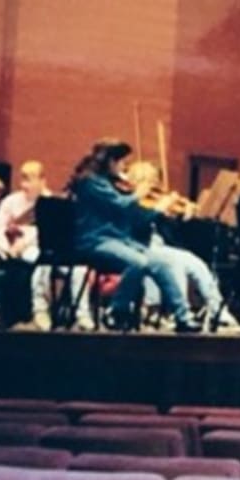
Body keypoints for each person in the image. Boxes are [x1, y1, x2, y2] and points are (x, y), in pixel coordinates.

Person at [68, 139, 199, 334]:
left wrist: (160, 209)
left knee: (161, 263)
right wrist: (138, 194)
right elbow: (121, 205)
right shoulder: (90, 182)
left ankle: (183, 316)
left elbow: (130, 213)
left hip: (118, 240)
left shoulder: (109, 183)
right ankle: (117, 309)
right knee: (139, 263)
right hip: (96, 240)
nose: (124, 168)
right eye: (122, 163)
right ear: (110, 161)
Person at [125, 160, 234, 330]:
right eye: (151, 182)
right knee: (173, 264)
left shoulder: (158, 203)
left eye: (156, 182)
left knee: (197, 263)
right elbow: (138, 224)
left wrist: (183, 215)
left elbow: (173, 234)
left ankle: (218, 310)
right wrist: (160, 208)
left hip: (162, 247)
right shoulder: (129, 202)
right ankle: (178, 314)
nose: (156, 187)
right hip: (139, 247)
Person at [0, 160, 90, 331]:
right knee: (41, 263)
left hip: (42, 246)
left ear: (42, 180)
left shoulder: (51, 203)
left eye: (30, 179)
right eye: (23, 179)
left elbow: (47, 231)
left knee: (78, 269)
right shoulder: (10, 201)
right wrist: (6, 248)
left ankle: (82, 314)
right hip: (17, 250)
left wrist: (25, 242)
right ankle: (40, 311)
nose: (24, 184)